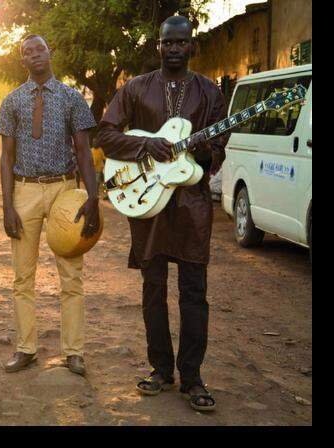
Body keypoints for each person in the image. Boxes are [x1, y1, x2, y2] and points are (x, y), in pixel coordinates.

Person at [96, 15, 226, 411]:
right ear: (159, 46)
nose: (174, 49)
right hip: (148, 203)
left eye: (181, 42)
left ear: (192, 46)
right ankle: (160, 369)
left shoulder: (209, 93)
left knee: (194, 291)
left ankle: (192, 377)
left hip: (192, 207)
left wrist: (206, 150)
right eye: (167, 43)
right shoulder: (136, 88)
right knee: (153, 289)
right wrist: (146, 146)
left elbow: (219, 145)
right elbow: (105, 134)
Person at [0, 33, 101, 375]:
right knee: (22, 277)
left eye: (40, 48)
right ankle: (26, 349)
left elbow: (83, 151)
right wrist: (7, 205)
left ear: (50, 52)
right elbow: (6, 156)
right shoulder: (12, 101)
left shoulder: (72, 98)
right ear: (22, 61)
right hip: (24, 191)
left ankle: (74, 352)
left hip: (64, 193)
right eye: (28, 52)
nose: (36, 54)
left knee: (71, 276)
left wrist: (94, 198)